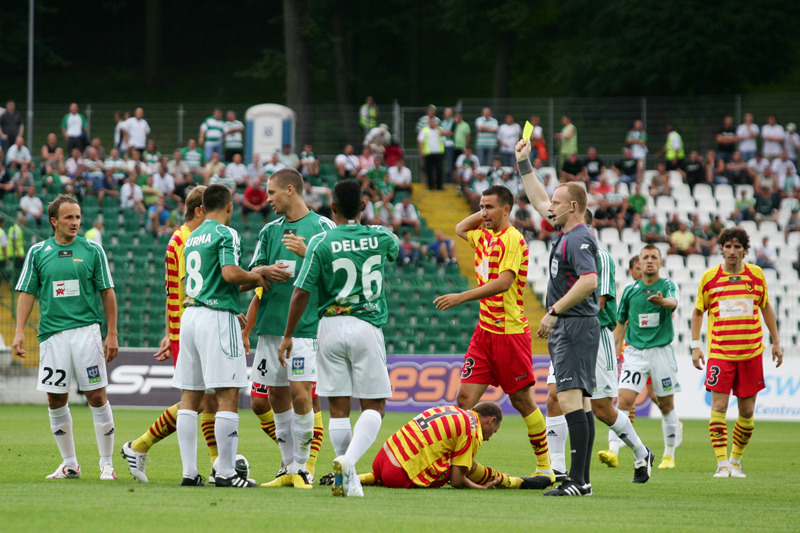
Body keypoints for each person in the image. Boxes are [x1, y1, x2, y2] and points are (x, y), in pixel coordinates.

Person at [278, 178, 399, 497]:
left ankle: (348, 479)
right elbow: (394, 249)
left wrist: (288, 335)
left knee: (339, 407)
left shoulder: (320, 241)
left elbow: (301, 293)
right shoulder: (380, 236)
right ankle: (349, 461)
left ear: (332, 208)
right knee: (374, 405)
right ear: (363, 206)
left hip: (329, 326)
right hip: (365, 324)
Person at [432, 183, 554, 490]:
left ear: (507, 210)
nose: (483, 213)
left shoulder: (513, 239)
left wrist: (461, 296)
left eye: (489, 207)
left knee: (522, 401)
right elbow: (461, 226)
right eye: (481, 207)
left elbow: (503, 283)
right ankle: (458, 464)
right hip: (484, 333)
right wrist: (487, 214)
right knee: (463, 400)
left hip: (510, 334)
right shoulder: (483, 236)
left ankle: (546, 467)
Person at [13, 194, 118, 481]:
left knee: (97, 396)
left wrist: (112, 332)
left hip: (87, 333)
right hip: (52, 336)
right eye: (69, 217)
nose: (75, 222)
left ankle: (106, 464)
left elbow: (107, 291)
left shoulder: (93, 250)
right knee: (55, 398)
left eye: (78, 217)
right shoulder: (38, 252)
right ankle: (69, 463)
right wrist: (20, 331)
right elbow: (27, 293)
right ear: (54, 221)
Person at [120, 187, 221, 483]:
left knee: (208, 400)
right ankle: (139, 445)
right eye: (211, 211)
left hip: (182, 328)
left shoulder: (178, 238)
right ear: (200, 210)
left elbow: (172, 291)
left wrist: (168, 331)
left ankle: (215, 464)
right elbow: (193, 291)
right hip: (191, 329)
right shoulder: (190, 240)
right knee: (197, 401)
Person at [517, 138, 599, 497]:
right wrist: (524, 163)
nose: (549, 206)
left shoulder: (579, 238)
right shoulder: (566, 232)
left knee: (569, 399)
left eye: (557, 202)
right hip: (576, 325)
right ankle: (581, 480)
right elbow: (537, 200)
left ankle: (578, 481)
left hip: (574, 324)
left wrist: (553, 311)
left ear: (574, 207)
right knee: (579, 401)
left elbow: (589, 280)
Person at [171, 184, 267, 488]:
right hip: (215, 318)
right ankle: (225, 472)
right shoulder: (226, 233)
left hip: (191, 314)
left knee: (190, 396)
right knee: (227, 394)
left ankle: (189, 473)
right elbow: (229, 274)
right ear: (229, 206)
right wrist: (258, 275)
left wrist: (247, 281)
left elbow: (207, 281)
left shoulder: (193, 236)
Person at [546, 211, 653, 484]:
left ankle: (641, 452)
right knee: (554, 395)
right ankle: (556, 468)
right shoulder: (562, 248)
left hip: (593, 332)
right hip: (566, 331)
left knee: (602, 408)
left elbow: (600, 301)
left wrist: (558, 312)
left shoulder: (599, 255)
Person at [248, 168, 335, 489]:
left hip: (306, 328)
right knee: (275, 397)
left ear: (289, 190)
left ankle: (302, 467)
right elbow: (251, 271)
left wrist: (308, 253)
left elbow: (337, 279)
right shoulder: (269, 231)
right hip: (271, 328)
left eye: (271, 192)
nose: (267, 199)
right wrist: (264, 270)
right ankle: (288, 466)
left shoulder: (323, 228)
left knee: (302, 396)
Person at [691, 227, 782, 478]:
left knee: (747, 412)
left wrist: (776, 342)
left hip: (751, 353)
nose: (732, 251)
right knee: (718, 406)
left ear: (744, 250)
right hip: (721, 353)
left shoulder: (756, 274)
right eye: (728, 246)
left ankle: (735, 460)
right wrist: (695, 345)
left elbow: (766, 308)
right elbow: (698, 311)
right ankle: (721, 463)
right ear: (721, 249)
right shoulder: (710, 277)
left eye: (737, 247)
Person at [358, 402, 542, 490]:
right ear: (491, 420)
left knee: (460, 461)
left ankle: (360, 478)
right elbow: (457, 480)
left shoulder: (452, 409)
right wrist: (481, 488)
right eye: (493, 431)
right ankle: (513, 482)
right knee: (460, 467)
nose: (489, 438)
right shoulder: (472, 429)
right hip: (398, 474)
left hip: (381, 460)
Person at [614, 244, 682, 469]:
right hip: (634, 352)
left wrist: (663, 303)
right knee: (623, 401)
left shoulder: (668, 285)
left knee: (665, 405)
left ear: (660, 263)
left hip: (661, 352)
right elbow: (620, 320)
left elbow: (673, 302)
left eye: (654, 257)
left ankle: (669, 454)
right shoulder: (630, 290)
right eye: (646, 257)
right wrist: (615, 347)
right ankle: (613, 450)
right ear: (640, 264)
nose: (650, 260)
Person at [418, 117, 445, 190]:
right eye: (430, 122)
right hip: (429, 153)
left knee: (439, 170)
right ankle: (430, 186)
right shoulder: (424, 130)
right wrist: (421, 151)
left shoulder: (439, 129)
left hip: (438, 152)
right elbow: (420, 141)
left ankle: (439, 186)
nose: (432, 123)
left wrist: (436, 127)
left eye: (433, 122)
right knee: (429, 170)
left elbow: (445, 133)